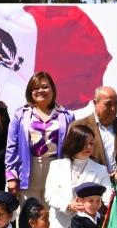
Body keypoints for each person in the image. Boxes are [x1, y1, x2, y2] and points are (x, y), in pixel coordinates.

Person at [5, 71, 73, 199]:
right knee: (29, 216)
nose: (40, 90)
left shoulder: (67, 116)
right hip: (28, 172)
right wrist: (11, 177)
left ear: (53, 89)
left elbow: (73, 147)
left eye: (45, 87)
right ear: (30, 92)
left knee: (54, 217)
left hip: (57, 172)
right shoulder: (20, 115)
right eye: (36, 88)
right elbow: (11, 147)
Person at [72, 86, 117, 209]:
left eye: (116, 104)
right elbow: (71, 160)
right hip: (89, 198)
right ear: (95, 103)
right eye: (108, 104)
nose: (113, 109)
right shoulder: (79, 127)